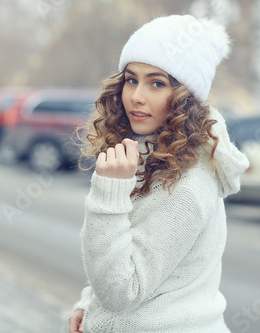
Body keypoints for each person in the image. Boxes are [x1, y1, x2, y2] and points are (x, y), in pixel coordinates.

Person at [69, 14, 249, 333]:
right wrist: (90, 304)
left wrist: (109, 194)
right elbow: (123, 254)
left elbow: (122, 293)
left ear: (185, 98)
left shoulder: (187, 183)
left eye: (157, 83)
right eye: (131, 79)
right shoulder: (157, 155)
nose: (137, 96)